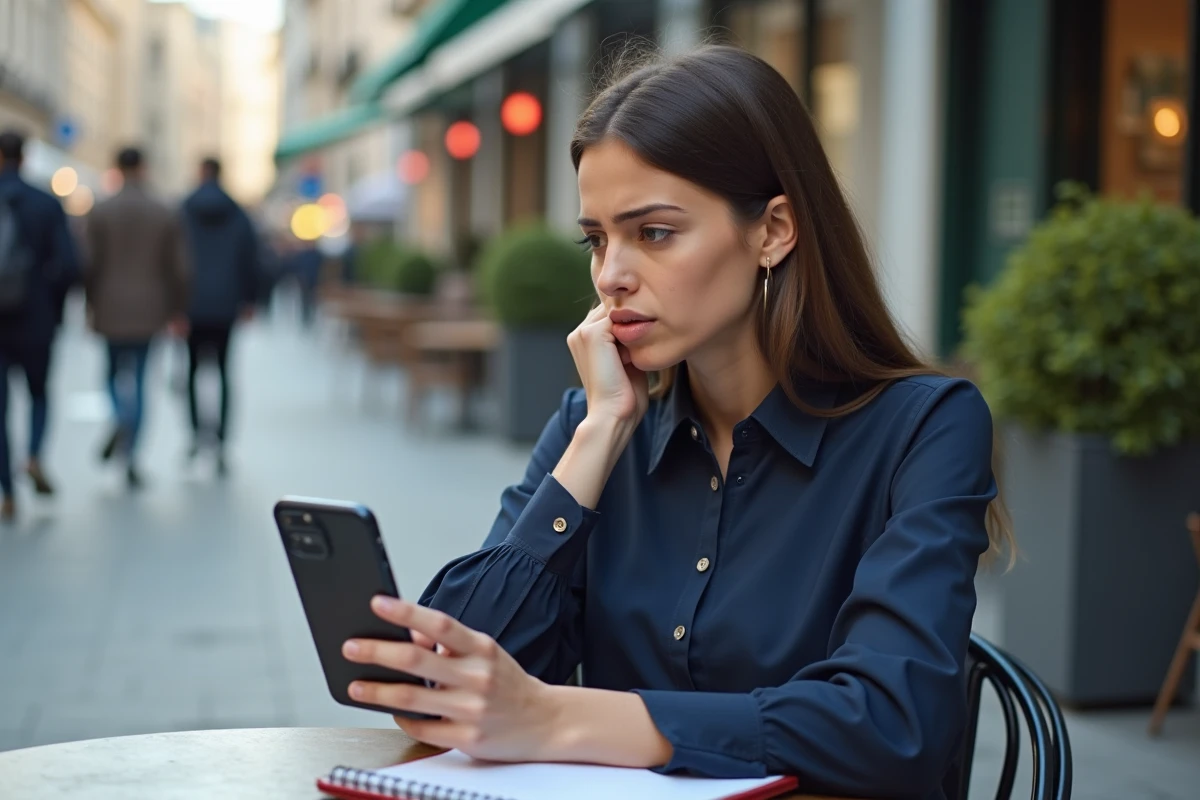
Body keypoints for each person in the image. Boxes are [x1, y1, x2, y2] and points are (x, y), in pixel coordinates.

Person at [336, 46, 1014, 799]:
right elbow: (447, 693)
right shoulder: (595, 426)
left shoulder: (924, 430)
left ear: (773, 231)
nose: (609, 274)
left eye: (653, 232)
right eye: (596, 239)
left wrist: (561, 719)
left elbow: (895, 724)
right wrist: (594, 441)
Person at [84, 147, 189, 488]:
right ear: (143, 167)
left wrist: (89, 303)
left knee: (113, 374)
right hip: (150, 309)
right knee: (142, 381)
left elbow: (88, 264)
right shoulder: (163, 210)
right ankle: (131, 453)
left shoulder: (101, 210)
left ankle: (120, 415)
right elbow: (179, 267)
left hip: (110, 305)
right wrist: (177, 309)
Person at [0, 130, 80, 521]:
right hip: (35, 318)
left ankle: (7, 492)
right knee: (38, 395)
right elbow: (68, 265)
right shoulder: (46, 204)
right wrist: (52, 307)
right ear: (24, 157)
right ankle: (33, 454)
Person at [179, 157, 258, 475]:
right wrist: (250, 300)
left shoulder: (184, 210)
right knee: (224, 373)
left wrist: (175, 306)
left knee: (192, 373)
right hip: (227, 305)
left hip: (191, 305)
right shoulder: (238, 213)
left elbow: (174, 259)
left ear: (201, 173)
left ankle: (197, 434)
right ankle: (222, 441)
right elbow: (251, 258)